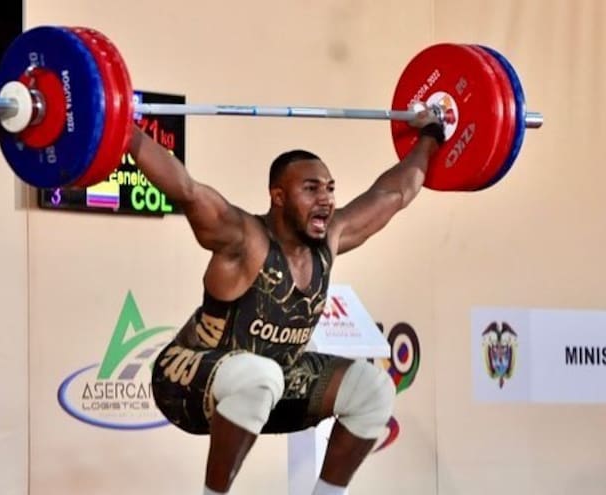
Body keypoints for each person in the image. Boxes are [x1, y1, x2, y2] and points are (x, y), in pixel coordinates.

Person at [132, 106, 445, 495]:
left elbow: (395, 193)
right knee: (261, 376)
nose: (326, 200)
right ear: (278, 197)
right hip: (186, 383)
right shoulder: (243, 239)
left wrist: (432, 135)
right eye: (311, 189)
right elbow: (187, 190)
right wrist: (122, 130)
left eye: (330, 188)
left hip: (272, 385)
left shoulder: (331, 238)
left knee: (374, 388)